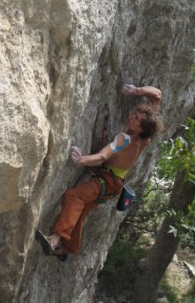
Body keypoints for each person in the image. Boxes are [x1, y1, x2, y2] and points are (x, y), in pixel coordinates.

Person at [35, 83, 163, 260]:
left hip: (107, 180)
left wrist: (81, 159)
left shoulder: (123, 139)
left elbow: (102, 157)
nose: (131, 116)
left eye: (136, 118)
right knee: (81, 212)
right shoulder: (146, 138)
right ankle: (67, 249)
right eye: (135, 114)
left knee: (74, 197)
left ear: (141, 127)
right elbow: (157, 95)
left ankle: (55, 240)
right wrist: (137, 91)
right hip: (114, 185)